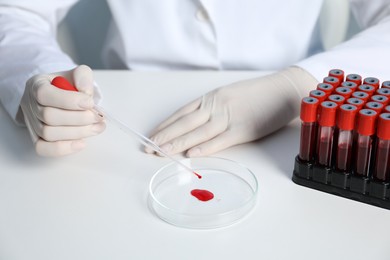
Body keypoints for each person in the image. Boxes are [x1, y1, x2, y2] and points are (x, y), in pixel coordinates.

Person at [0, 0, 389, 157]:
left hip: (292, 131)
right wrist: (37, 75)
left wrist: (297, 87)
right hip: (127, 122)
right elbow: (16, 11)